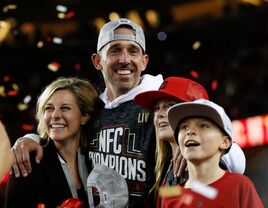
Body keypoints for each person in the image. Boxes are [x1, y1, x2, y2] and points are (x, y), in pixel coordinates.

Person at [11, 18, 164, 207]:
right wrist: (30, 139)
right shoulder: (94, 110)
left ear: (144, 61)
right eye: (115, 50)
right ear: (97, 61)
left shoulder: (161, 104)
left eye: (133, 51)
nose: (125, 59)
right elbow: (62, 130)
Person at [134, 76, 246, 202]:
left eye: (170, 106)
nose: (159, 114)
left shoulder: (196, 164)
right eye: (156, 108)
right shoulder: (168, 163)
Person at [5, 77, 101, 208]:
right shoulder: (28, 160)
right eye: (49, 108)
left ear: (84, 116)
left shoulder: (96, 157)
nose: (55, 115)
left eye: (65, 108)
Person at [159, 98, 263, 207]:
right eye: (184, 127)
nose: (190, 131)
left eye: (203, 126)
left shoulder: (240, 186)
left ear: (225, 142)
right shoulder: (169, 198)